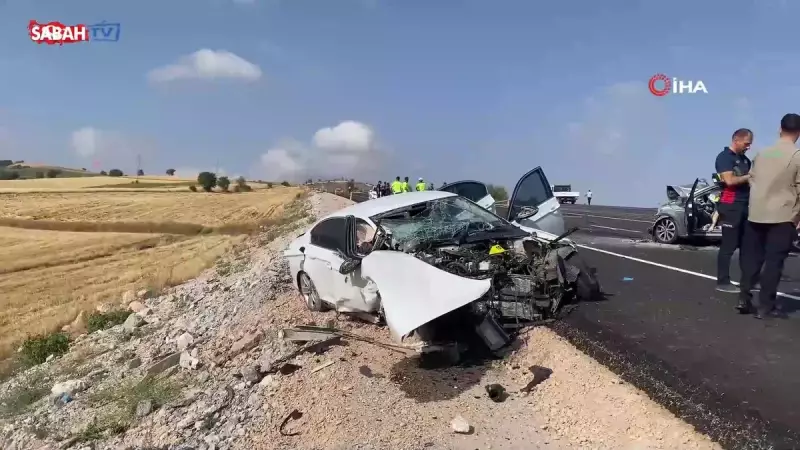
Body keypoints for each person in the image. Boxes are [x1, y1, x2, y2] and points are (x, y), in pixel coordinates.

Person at [737, 114, 800, 318]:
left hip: (756, 213)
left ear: (779, 129)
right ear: (798, 133)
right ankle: (765, 307)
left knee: (751, 259)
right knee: (774, 261)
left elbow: (752, 179)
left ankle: (744, 298)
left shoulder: (762, 153)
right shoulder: (797, 155)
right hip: (782, 216)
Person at [714, 128, 754, 293]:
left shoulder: (745, 160)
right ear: (736, 140)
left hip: (746, 206)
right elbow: (729, 181)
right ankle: (723, 282)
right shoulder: (724, 157)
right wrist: (751, 176)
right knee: (728, 246)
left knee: (747, 246)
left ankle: (748, 280)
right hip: (730, 206)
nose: (748, 147)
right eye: (746, 143)